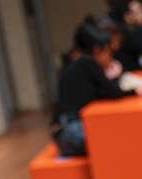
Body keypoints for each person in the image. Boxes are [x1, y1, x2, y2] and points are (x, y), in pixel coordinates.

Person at [51, 23, 133, 156]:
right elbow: (112, 92)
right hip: (71, 131)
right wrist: (135, 90)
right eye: (108, 52)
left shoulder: (75, 64)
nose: (110, 57)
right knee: (119, 141)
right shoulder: (88, 62)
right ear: (97, 50)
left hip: (63, 132)